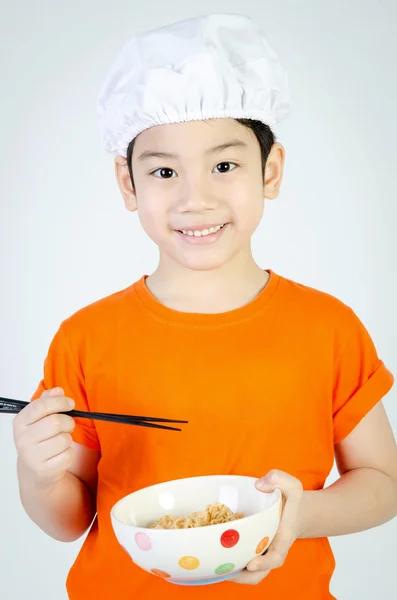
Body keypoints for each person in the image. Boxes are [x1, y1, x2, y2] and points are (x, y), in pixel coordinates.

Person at [12, 13, 396, 600]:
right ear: (127, 183)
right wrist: (37, 474)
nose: (197, 198)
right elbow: (69, 521)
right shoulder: (86, 337)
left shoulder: (328, 328)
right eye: (164, 171)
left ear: (270, 170)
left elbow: (383, 482)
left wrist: (300, 518)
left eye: (224, 165)